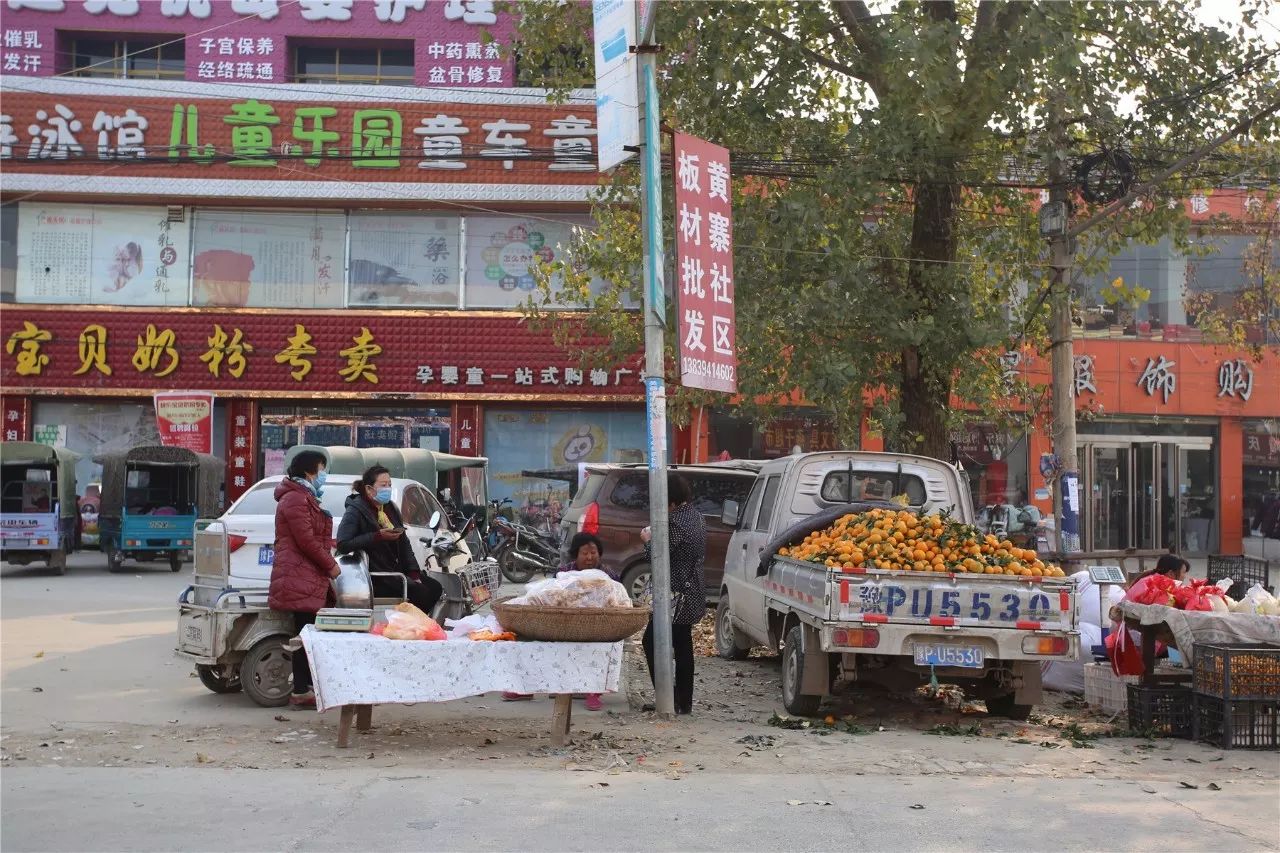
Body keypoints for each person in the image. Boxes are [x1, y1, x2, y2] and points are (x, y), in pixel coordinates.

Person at [502, 531, 611, 710]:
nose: (590, 557)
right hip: (563, 624)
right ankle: (526, 687)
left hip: (595, 626)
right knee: (533, 642)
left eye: (594, 553)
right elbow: (550, 595)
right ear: (576, 554)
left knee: (599, 646)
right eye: (585, 553)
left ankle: (594, 690)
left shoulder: (607, 575)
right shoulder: (564, 572)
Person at [268, 450, 341, 709]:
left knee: (307, 631)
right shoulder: (296, 499)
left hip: (305, 573)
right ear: (311, 471)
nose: (324, 475)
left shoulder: (304, 497)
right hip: (300, 574)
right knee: (304, 632)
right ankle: (300, 691)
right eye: (322, 469)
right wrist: (330, 565)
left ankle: (306, 686)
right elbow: (306, 540)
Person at [640, 472, 706, 715]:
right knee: (683, 644)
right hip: (692, 589)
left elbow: (656, 557)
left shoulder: (675, 523)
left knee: (652, 642)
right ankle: (683, 701)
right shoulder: (696, 517)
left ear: (670, 499)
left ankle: (669, 697)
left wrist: (647, 540)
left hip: (676, 595)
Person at [336, 465, 443, 616]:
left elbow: (404, 544)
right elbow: (343, 543)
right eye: (383, 485)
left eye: (390, 485)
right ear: (369, 489)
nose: (388, 488)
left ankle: (413, 623)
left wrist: (414, 574)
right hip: (376, 575)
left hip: (396, 570)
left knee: (435, 587)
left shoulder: (390, 508)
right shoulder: (356, 510)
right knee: (421, 593)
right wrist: (377, 536)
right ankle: (407, 624)